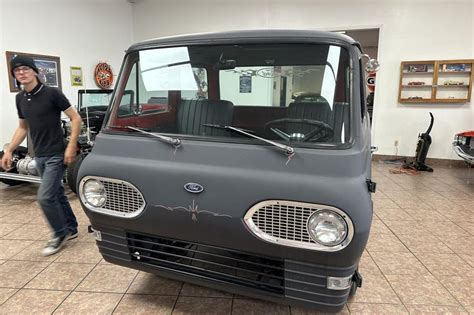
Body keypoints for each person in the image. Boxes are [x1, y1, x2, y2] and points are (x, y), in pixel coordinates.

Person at [1, 55, 82, 256]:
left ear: (35, 71)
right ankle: (71, 228)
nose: (21, 72)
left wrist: (71, 145)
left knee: (45, 197)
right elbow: (23, 127)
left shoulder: (52, 94)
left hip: (57, 153)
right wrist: (9, 149)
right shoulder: (19, 98)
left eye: (25, 68)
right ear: (14, 75)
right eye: (16, 70)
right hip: (39, 155)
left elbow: (75, 118)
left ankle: (59, 233)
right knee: (57, 194)